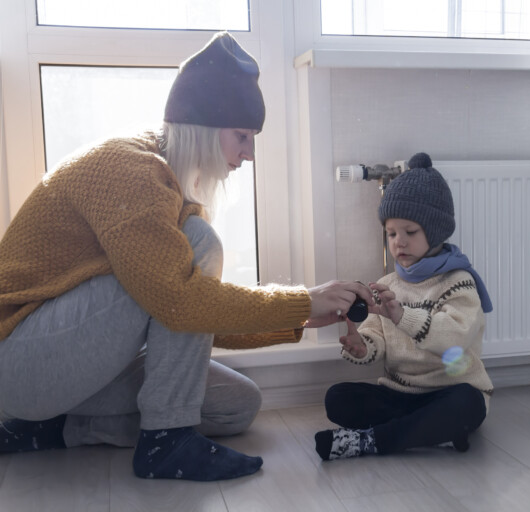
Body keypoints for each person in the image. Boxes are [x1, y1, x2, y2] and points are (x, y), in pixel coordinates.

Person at [0, 32, 373, 482]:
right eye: (242, 136)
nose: (249, 154)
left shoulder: (166, 186)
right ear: (205, 126)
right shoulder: (128, 170)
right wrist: (302, 299)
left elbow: (184, 317)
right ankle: (165, 442)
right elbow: (180, 302)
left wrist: (296, 321)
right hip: (18, 361)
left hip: (67, 366)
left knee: (236, 405)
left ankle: (47, 430)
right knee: (199, 243)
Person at [314, 152, 494, 461]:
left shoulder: (459, 281)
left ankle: (374, 440)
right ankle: (429, 433)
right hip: (400, 394)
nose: (399, 242)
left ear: (435, 231)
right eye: (391, 233)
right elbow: (378, 340)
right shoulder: (388, 283)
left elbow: (455, 339)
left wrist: (402, 316)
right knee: (338, 398)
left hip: (449, 392)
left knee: (468, 404)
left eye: (410, 232)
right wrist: (362, 345)